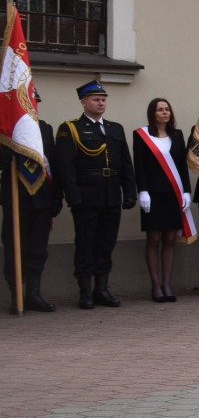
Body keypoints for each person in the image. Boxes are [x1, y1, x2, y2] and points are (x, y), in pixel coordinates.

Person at [55, 80, 136, 309]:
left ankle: (102, 288)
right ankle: (85, 291)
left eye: (103, 100)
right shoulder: (70, 128)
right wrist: (73, 197)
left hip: (111, 195)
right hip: (86, 195)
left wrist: (129, 191)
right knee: (86, 243)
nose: (101, 103)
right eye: (96, 99)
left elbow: (125, 163)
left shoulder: (114, 128)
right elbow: (65, 167)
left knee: (106, 243)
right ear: (84, 102)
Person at [2, 84, 60, 313]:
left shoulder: (45, 129)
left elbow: (53, 164)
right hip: (17, 198)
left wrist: (57, 196)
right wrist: (9, 148)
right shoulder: (6, 131)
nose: (31, 106)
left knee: (38, 248)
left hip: (42, 197)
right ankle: (16, 295)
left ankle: (34, 294)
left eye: (34, 102)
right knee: (14, 247)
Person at [131, 98, 191, 303]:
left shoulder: (177, 135)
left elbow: (182, 166)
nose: (165, 113)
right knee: (154, 239)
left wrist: (187, 192)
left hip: (174, 194)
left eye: (167, 109)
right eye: (160, 110)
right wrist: (143, 191)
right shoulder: (142, 135)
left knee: (169, 240)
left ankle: (167, 284)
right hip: (153, 195)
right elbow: (138, 164)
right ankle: (155, 285)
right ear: (152, 113)